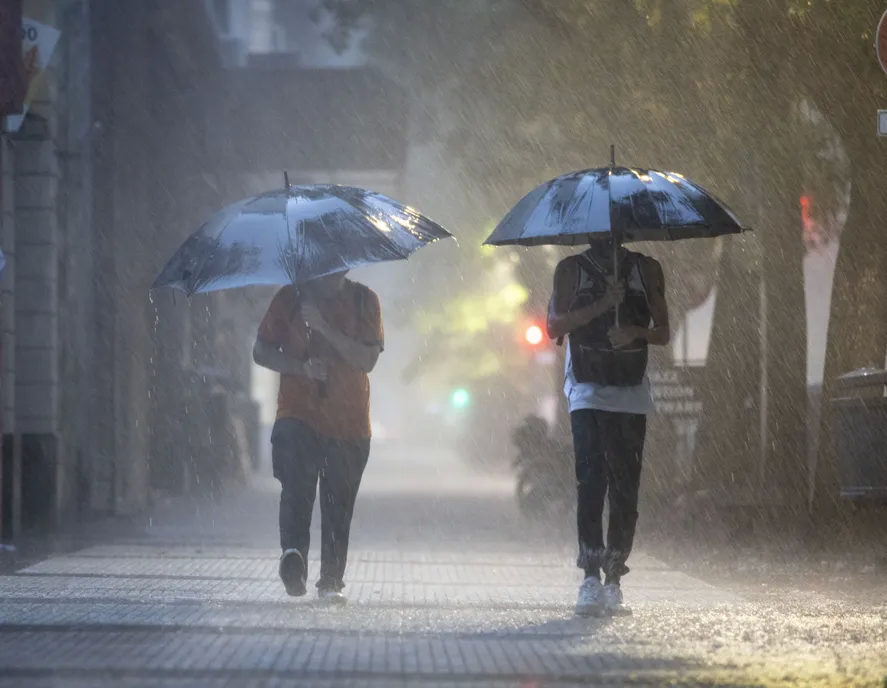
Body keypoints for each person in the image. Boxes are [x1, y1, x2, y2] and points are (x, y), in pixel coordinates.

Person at [547, 239, 670, 616]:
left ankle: (614, 577)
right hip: (586, 388)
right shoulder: (570, 269)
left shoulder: (646, 269)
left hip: (630, 391)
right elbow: (553, 325)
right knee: (590, 479)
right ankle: (589, 575)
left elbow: (664, 331)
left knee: (624, 484)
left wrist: (634, 330)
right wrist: (601, 304)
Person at [253, 270, 383, 604]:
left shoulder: (364, 300)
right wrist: (301, 367)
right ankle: (293, 556)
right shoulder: (290, 298)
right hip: (298, 414)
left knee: (338, 504)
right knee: (296, 488)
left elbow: (367, 359)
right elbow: (262, 352)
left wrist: (324, 326)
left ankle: (330, 580)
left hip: (349, 422)